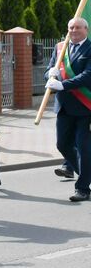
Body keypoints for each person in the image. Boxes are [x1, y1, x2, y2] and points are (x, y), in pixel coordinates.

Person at [45, 17, 91, 202]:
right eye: (71, 27)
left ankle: (82, 188)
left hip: (85, 107)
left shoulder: (90, 48)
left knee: (83, 147)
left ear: (86, 29)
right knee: (62, 145)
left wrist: (63, 84)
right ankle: (86, 175)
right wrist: (50, 74)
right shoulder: (59, 48)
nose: (74, 30)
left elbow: (88, 75)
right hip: (64, 106)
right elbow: (49, 69)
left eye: (78, 27)